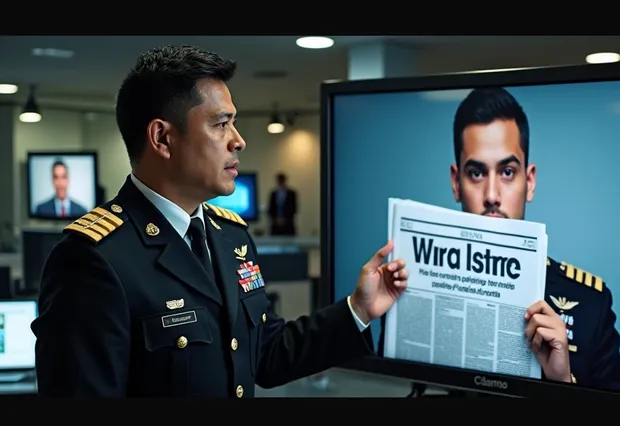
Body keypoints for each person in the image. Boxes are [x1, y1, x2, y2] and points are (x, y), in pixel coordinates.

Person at [30, 45, 409, 398]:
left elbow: (266, 353)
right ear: (163, 138)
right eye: (220, 124)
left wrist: (358, 309)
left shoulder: (229, 237)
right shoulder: (94, 260)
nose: (239, 141)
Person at [448, 87, 620, 392]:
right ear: (457, 183)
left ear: (529, 182)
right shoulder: (411, 288)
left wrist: (562, 383)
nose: (492, 195)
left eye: (507, 171)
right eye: (476, 173)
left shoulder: (590, 305)